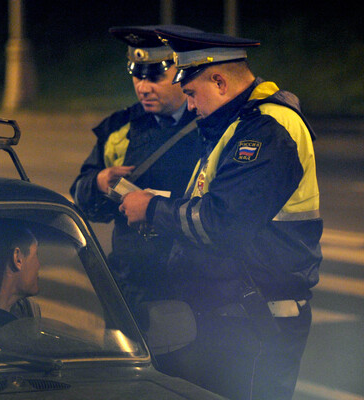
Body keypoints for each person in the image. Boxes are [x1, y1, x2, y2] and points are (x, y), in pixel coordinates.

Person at [119, 26, 322, 400]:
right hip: (232, 317)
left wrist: (152, 209)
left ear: (219, 81)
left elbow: (223, 223)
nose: (190, 106)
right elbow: (209, 205)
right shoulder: (236, 125)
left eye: (191, 93)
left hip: (257, 321)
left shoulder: (268, 129)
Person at [70, 25, 202, 312]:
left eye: (155, 77)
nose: (143, 87)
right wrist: (99, 183)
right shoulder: (121, 127)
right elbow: (80, 195)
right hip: (130, 285)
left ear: (181, 73)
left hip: (191, 287)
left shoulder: (208, 127)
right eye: (137, 76)